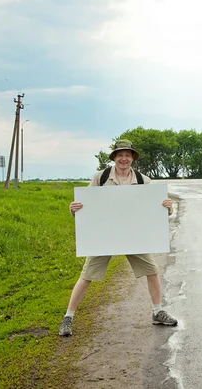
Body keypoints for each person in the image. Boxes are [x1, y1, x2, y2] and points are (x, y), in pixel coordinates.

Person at [59, 139, 178, 337]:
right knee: (87, 275)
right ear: (114, 158)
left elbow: (156, 208)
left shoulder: (143, 180)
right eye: (120, 155)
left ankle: (158, 312)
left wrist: (168, 206)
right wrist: (74, 209)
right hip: (106, 236)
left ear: (132, 158)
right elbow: (85, 205)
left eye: (128, 155)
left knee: (152, 271)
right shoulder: (102, 177)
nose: (124, 159)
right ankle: (68, 317)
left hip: (133, 236)